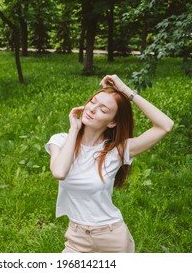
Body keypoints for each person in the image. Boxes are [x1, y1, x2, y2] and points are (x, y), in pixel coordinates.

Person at [45, 74, 174, 253]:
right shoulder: (60, 141)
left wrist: (126, 91)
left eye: (103, 110)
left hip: (112, 237)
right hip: (76, 237)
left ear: (112, 122)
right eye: (92, 102)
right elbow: (59, 172)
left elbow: (165, 125)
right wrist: (74, 129)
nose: (92, 109)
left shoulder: (118, 151)